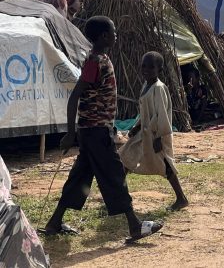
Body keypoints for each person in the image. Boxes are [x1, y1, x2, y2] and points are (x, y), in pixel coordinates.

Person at [43, 16, 162, 242]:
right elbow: (75, 96)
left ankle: (54, 222)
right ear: (104, 36)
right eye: (113, 32)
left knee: (80, 178)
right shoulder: (95, 62)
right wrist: (69, 133)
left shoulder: (100, 59)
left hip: (92, 131)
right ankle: (135, 226)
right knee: (114, 175)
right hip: (96, 131)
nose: (116, 35)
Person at [119, 52, 189, 210]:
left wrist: (158, 138)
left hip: (157, 134)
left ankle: (181, 198)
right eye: (144, 66)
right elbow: (145, 112)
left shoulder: (158, 88)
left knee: (165, 165)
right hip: (144, 133)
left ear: (159, 69)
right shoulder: (146, 86)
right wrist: (136, 127)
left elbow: (161, 114)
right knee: (126, 157)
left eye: (151, 67)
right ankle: (120, 196)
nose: (146, 70)